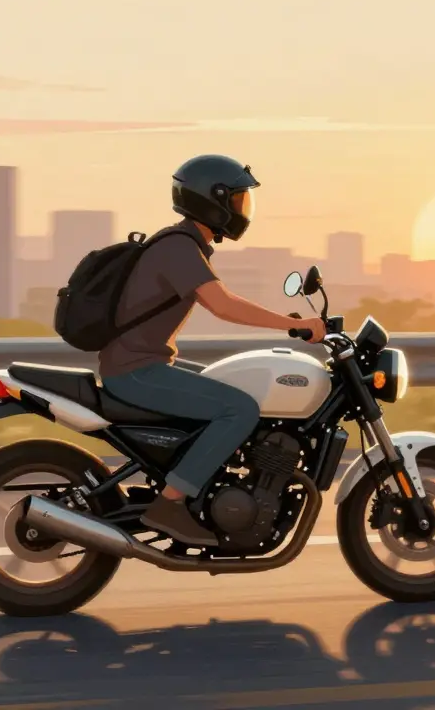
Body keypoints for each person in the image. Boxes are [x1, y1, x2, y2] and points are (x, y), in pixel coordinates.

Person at [97, 154, 326, 546]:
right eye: (237, 200)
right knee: (239, 408)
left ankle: (201, 487)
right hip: (134, 372)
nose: (242, 209)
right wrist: (295, 325)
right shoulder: (179, 248)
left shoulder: (183, 243)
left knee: (219, 385)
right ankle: (170, 503)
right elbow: (223, 305)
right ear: (211, 200)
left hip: (142, 364)